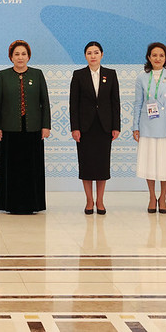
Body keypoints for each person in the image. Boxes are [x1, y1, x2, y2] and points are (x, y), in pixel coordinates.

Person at [0, 40, 51, 214]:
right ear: (11, 57)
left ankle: (33, 204)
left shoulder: (37, 74)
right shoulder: (2, 76)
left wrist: (46, 126)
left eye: (23, 54)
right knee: (12, 168)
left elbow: (45, 102)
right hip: (9, 129)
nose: (20, 57)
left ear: (28, 56)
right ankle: (10, 204)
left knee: (32, 167)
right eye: (16, 54)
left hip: (33, 129)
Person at [132, 42, 166, 214]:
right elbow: (138, 103)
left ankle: (163, 197)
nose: (157, 58)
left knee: (165, 163)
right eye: (154, 55)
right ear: (149, 57)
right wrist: (135, 127)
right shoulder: (142, 78)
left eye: (161, 55)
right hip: (147, 124)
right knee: (149, 162)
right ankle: (151, 196)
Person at [69, 41, 120, 215]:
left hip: (104, 126)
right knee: (87, 165)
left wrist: (116, 126)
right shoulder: (78, 75)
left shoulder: (110, 74)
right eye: (89, 53)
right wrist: (75, 128)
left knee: (102, 165)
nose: (93, 56)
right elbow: (73, 104)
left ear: (102, 55)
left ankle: (100, 200)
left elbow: (115, 102)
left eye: (96, 52)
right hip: (85, 128)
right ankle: (89, 200)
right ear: (85, 56)